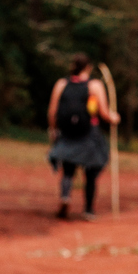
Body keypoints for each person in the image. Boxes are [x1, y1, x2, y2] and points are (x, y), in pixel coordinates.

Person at [45, 54, 118, 220]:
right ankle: (88, 209)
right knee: (91, 171)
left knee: (68, 169)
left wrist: (53, 130)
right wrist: (114, 118)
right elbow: (104, 113)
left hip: (67, 133)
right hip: (88, 133)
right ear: (88, 67)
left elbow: (52, 111)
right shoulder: (95, 85)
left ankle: (65, 197)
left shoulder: (61, 83)